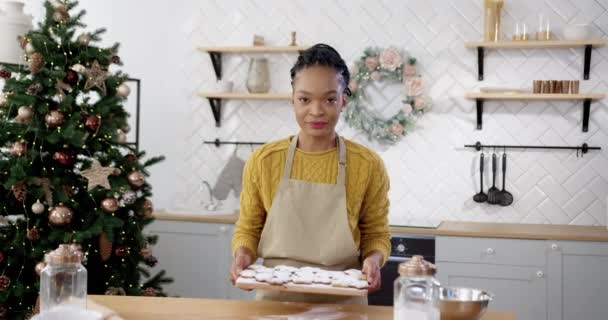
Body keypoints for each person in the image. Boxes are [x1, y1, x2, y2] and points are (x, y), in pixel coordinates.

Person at [229, 43, 390, 305]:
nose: (316, 111)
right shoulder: (264, 161)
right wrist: (242, 255)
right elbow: (249, 228)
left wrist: (373, 260)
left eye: (329, 99)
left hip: (344, 301)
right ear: (292, 99)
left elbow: (376, 233)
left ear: (343, 101)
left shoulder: (367, 164)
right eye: (305, 99)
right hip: (275, 299)